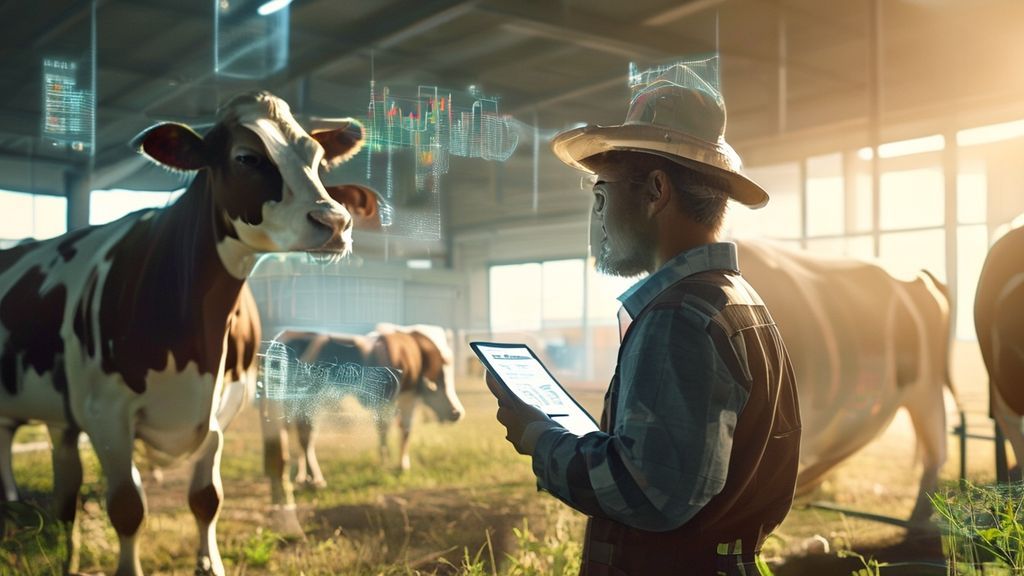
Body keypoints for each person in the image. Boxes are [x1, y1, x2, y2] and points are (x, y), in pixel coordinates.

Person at [484, 60, 802, 575]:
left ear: (656, 191)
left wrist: (539, 438)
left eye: (602, 195)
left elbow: (647, 493)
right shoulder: (741, 302)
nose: (599, 219)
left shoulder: (678, 318)